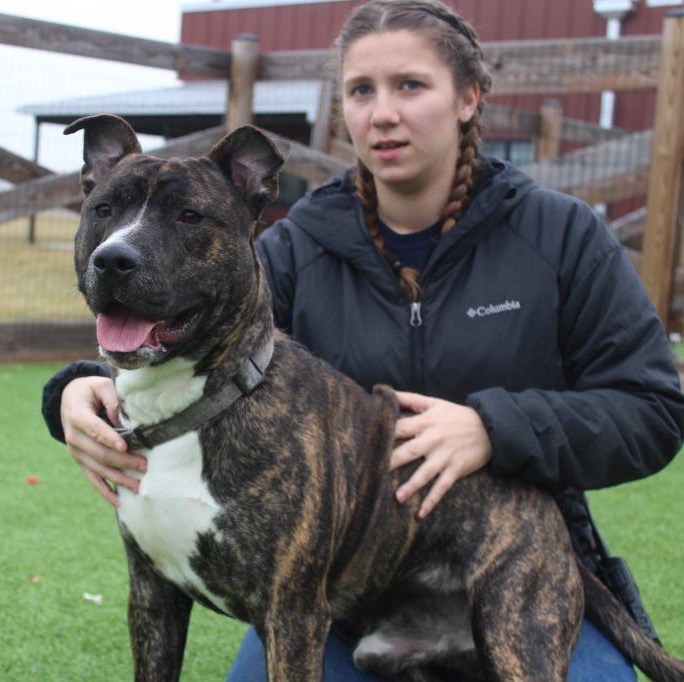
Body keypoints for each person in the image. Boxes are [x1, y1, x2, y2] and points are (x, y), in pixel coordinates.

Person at [41, 0, 684, 678]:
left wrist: (496, 427)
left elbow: (653, 408)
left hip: (505, 564)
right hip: (340, 586)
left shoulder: (561, 236)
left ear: (468, 97)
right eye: (360, 90)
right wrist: (75, 387)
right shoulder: (292, 250)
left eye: (410, 85)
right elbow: (194, 331)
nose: (382, 113)